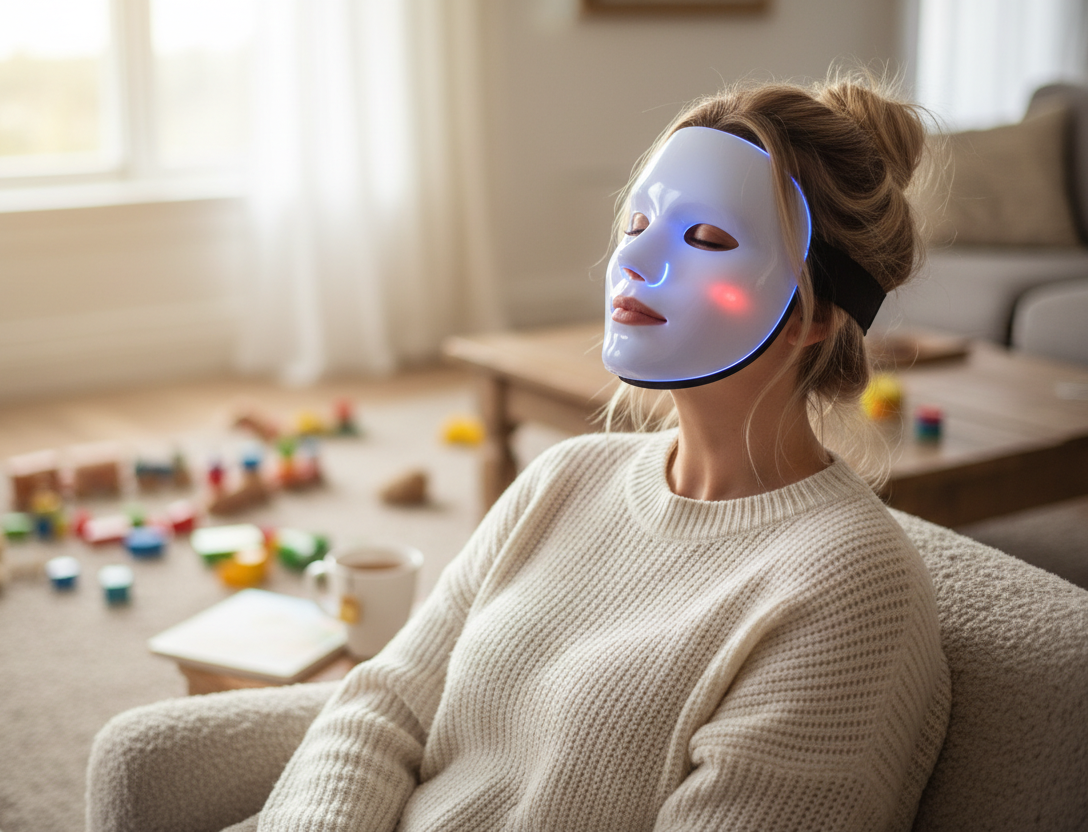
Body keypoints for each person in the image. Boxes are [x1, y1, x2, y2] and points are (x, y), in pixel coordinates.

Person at [89, 73, 951, 832]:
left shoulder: (847, 594)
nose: (635, 261)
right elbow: (386, 703)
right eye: (639, 220)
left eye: (708, 240)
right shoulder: (564, 478)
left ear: (813, 314)